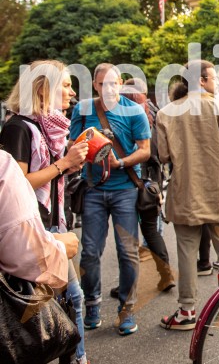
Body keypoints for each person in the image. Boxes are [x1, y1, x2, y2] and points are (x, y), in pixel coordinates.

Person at [0, 60, 90, 364]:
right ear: (43, 89)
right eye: (64, 85)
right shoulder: (18, 128)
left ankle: (74, 356)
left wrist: (69, 162)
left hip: (53, 222)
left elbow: (48, 176)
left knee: (67, 299)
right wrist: (63, 165)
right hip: (33, 230)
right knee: (39, 304)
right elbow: (18, 184)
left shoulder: (47, 128)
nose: (72, 92)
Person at [156, 60, 219, 331]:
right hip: (217, 190)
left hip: (184, 193)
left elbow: (162, 155)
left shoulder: (166, 113)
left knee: (185, 251)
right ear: (203, 81)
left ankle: (186, 311)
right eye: (214, 78)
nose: (216, 82)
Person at [70, 63, 151, 336]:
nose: (110, 88)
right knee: (90, 252)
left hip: (126, 189)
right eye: (104, 84)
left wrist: (120, 162)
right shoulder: (82, 110)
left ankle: (126, 309)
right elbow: (72, 147)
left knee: (128, 252)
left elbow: (145, 151)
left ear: (121, 83)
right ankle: (92, 304)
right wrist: (90, 148)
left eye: (114, 83)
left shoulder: (134, 110)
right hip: (93, 189)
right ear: (95, 85)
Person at [119, 79, 175, 293]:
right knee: (152, 231)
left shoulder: (124, 115)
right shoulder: (154, 115)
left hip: (127, 180)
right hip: (151, 183)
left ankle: (127, 285)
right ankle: (166, 275)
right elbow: (161, 154)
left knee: (127, 234)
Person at [0, 149, 79, 289]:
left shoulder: (49, 138)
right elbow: (24, 253)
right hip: (37, 232)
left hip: (48, 224)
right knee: (75, 296)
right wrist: (65, 162)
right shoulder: (19, 131)